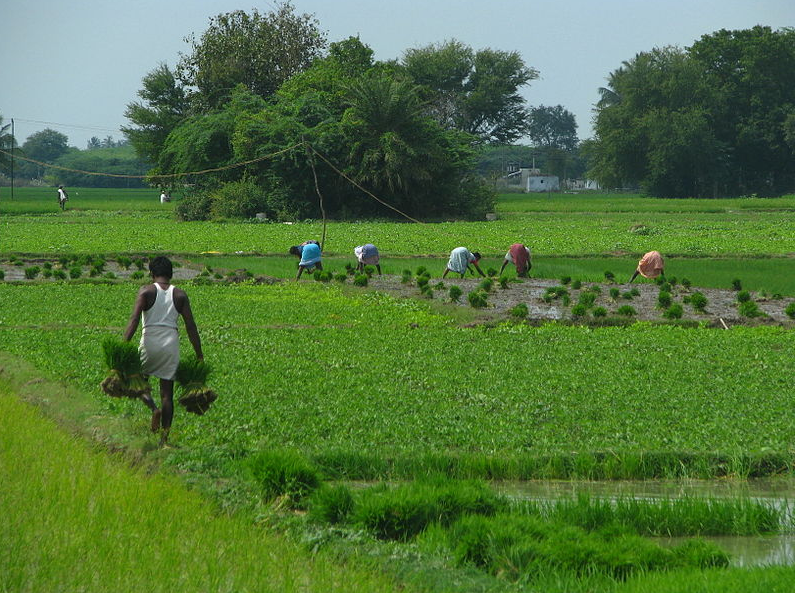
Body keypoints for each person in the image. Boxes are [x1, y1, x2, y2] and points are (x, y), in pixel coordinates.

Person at [123, 256, 203, 446]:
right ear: (171, 274)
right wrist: (199, 354)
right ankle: (164, 440)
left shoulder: (146, 291)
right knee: (167, 394)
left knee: (137, 381)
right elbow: (191, 326)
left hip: (150, 341)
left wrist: (124, 344)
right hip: (170, 344)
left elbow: (134, 320)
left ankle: (154, 409)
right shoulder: (180, 295)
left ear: (152, 273)